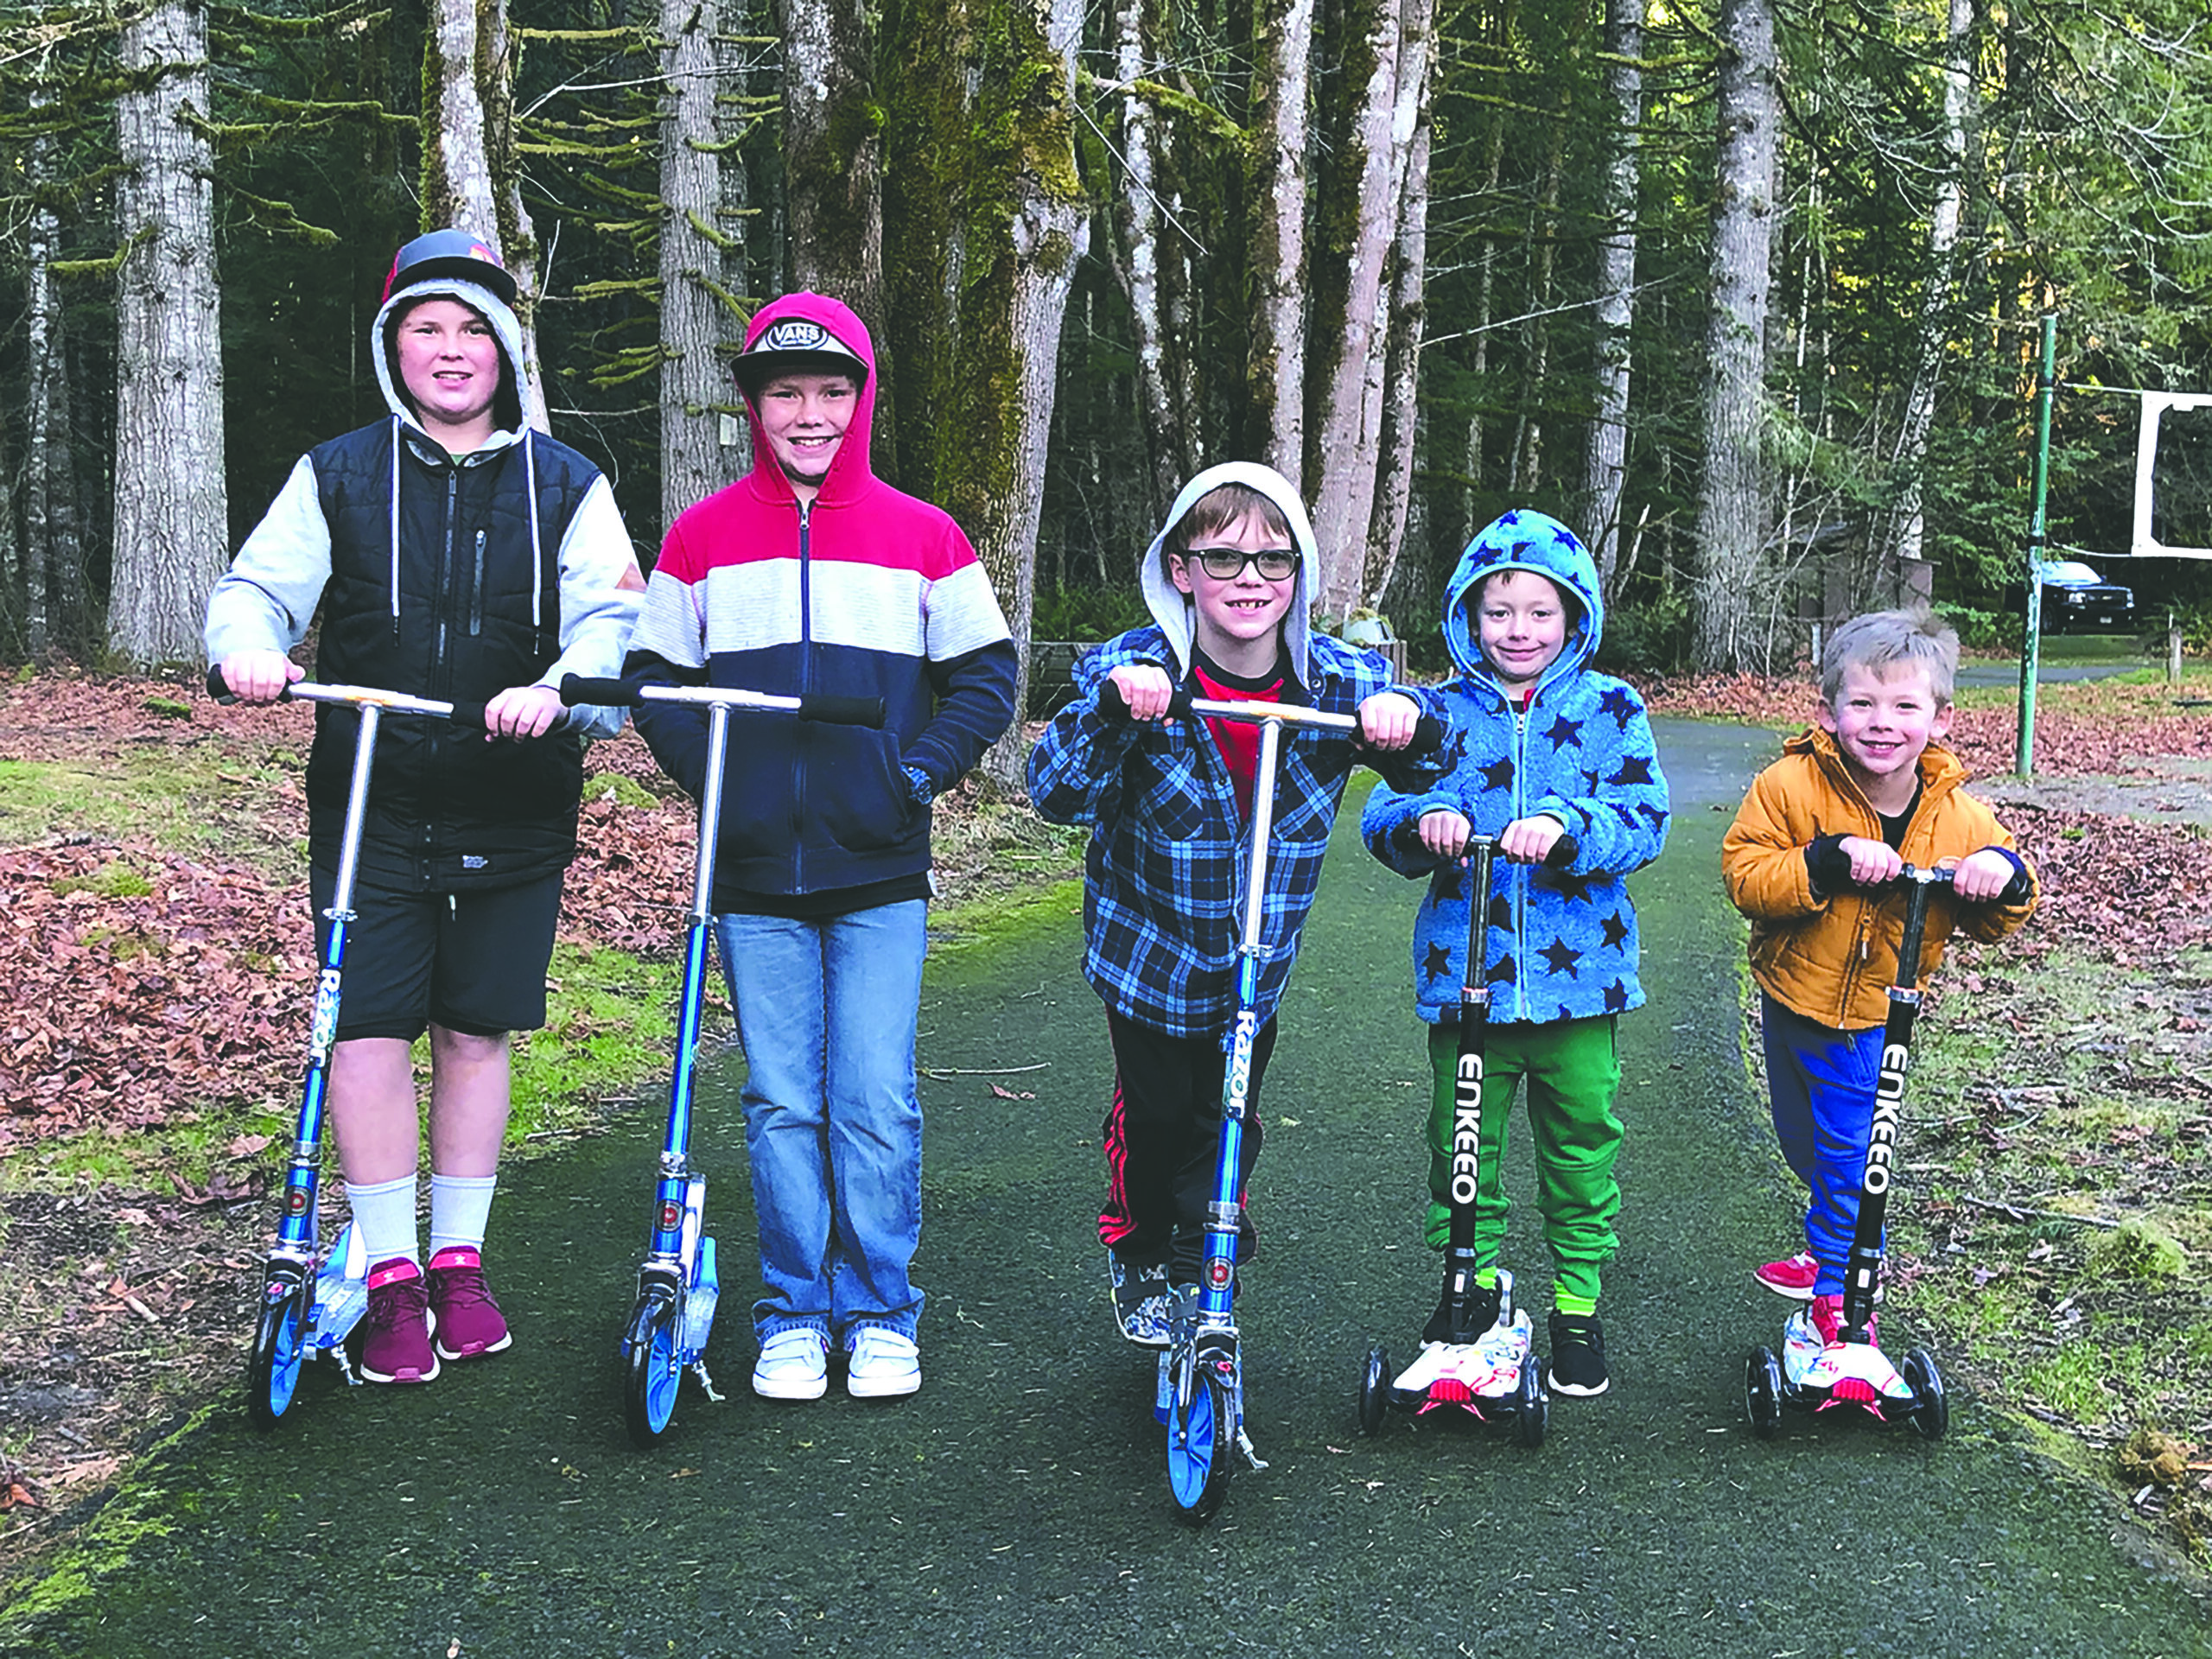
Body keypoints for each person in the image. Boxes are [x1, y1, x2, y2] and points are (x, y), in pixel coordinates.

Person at [205, 228, 645, 1384]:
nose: (450, 351)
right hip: (373, 801)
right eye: (426, 330)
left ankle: (459, 1260)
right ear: (395, 346)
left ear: (504, 350)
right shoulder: (339, 472)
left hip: (513, 799)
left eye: (471, 332)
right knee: (367, 1029)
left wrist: (559, 693)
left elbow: (612, 622)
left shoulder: (567, 485)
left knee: (474, 1030)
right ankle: (390, 1272)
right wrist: (250, 649)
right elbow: (258, 587)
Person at [621, 294, 1017, 1404]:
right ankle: (796, 1310)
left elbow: (986, 677)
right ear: (754, 404)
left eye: (830, 392)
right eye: (786, 392)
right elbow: (654, 680)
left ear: (862, 399)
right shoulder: (701, 536)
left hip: (880, 867)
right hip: (750, 873)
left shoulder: (924, 535)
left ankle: (882, 1309)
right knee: (782, 1099)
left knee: (874, 1098)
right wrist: (723, 781)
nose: (809, 414)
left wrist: (916, 772)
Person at [1027, 461, 1448, 1348]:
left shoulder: (1335, 680)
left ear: (1298, 574)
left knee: (1230, 1108)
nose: (1249, 580)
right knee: (1153, 1119)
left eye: (1272, 560)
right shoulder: (1135, 669)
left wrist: (1404, 719)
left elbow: (1428, 749)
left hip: (1256, 957)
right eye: (1222, 560)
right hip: (1148, 952)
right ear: (1180, 571)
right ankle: (1136, 1237)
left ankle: (1196, 1250)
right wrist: (1112, 713)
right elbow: (1054, 791)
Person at [1362, 510, 1669, 1399]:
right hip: (1469, 986)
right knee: (1462, 1146)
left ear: (1573, 617)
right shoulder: (1441, 713)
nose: (1518, 631)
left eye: (1539, 612)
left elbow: (1644, 821)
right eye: (1498, 613)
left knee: (1581, 1146)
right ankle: (1471, 1286)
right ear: (1468, 616)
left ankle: (1578, 1301)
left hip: (1582, 984)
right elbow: (1384, 820)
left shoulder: (1611, 708)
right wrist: (1427, 823)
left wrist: (1568, 829)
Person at [1721, 609, 2036, 1349]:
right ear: (1829, 708)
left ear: (1940, 716)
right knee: (1804, 1142)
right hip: (1791, 992)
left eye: (1905, 706)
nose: (1881, 723)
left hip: (1872, 1012)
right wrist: (1822, 862)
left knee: (1851, 1153)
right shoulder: (1791, 785)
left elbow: (2003, 912)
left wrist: (2006, 876)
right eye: (1861, 703)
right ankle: (1833, 1239)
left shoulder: (1959, 817)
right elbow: (1745, 874)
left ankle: (1842, 1283)